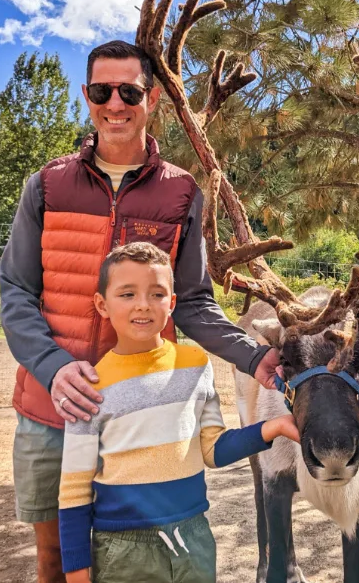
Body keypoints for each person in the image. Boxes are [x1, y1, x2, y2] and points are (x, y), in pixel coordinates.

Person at [0, 40, 282, 582]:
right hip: (51, 408)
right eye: (103, 91)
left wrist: (253, 357)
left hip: (145, 413)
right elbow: (15, 290)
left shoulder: (180, 193)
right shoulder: (47, 185)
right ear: (87, 96)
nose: (116, 104)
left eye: (129, 91)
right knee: (56, 559)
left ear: (151, 98)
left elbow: (193, 301)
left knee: (135, 557)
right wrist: (55, 369)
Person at [59, 242, 299, 582]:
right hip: (123, 550)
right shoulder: (88, 386)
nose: (143, 305)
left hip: (194, 540)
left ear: (172, 303)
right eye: (127, 294)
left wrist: (271, 428)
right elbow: (73, 487)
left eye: (157, 294)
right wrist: (76, 570)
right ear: (102, 304)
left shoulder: (196, 366)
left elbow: (212, 449)